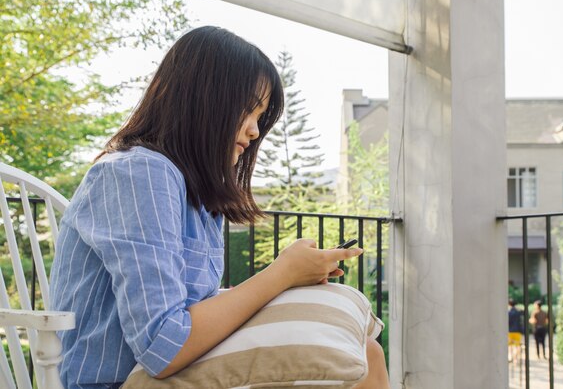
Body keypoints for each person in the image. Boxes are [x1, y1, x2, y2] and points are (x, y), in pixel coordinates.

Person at [50, 26, 390, 389]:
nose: (255, 131)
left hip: (163, 371)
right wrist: (282, 274)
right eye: (248, 111)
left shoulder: (193, 194)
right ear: (204, 101)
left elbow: (190, 312)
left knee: (367, 352)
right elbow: (163, 344)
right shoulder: (139, 173)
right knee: (357, 360)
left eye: (261, 117)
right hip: (117, 382)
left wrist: (293, 277)